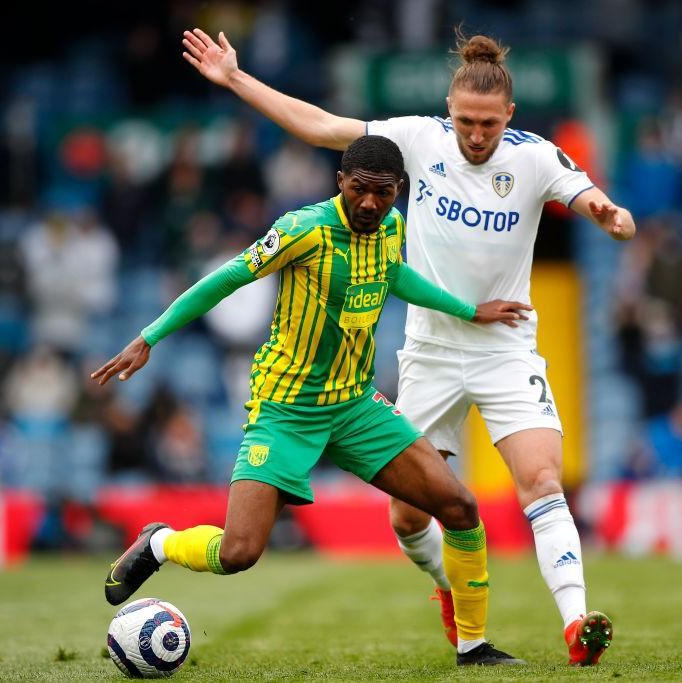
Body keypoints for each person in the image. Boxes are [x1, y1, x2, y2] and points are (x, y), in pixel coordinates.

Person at [182, 28, 636, 666]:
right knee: (407, 518)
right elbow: (320, 127)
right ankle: (448, 591)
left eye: (488, 123)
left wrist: (611, 215)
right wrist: (235, 78)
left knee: (541, 481)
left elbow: (591, 198)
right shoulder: (419, 140)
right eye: (465, 121)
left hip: (504, 346)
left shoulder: (536, 157)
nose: (476, 134)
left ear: (509, 115)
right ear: (449, 113)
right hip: (428, 352)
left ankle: (576, 622)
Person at [94, 135, 531, 666]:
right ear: (340, 183)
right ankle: (161, 543)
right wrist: (150, 336)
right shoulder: (303, 229)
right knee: (238, 553)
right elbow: (226, 279)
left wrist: (468, 310)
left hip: (355, 406)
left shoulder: (391, 227)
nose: (371, 203)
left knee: (459, 506)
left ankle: (473, 646)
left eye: (384, 192)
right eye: (360, 190)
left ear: (398, 192)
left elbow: (396, 277)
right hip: (286, 409)